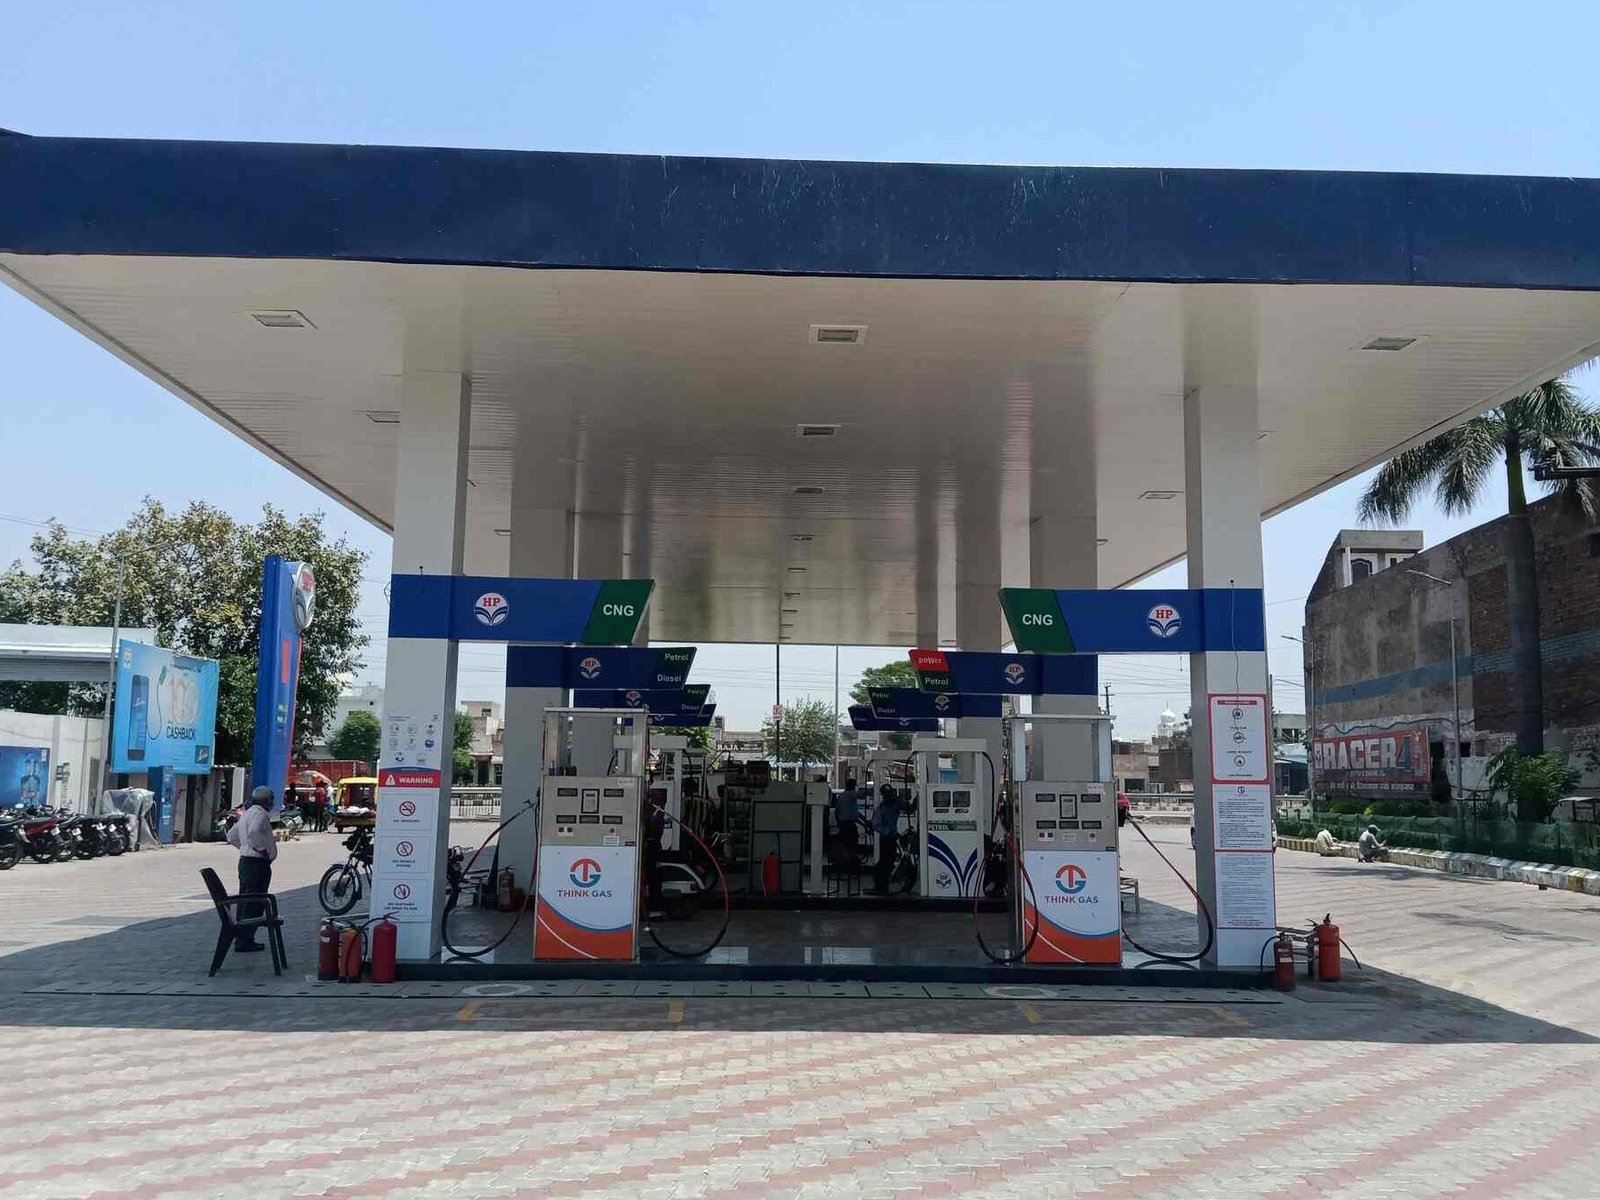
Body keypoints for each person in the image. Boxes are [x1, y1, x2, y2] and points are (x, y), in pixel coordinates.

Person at [225, 786, 278, 951]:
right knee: (254, 902)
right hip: (257, 863)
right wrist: (259, 848)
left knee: (245, 900)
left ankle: (242, 937)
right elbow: (254, 830)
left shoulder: (246, 814)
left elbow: (231, 836)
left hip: (245, 861)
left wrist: (244, 847)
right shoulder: (260, 814)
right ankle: (245, 940)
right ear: (266, 801)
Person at [869, 783, 904, 894]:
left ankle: (883, 885)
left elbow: (908, 807)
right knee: (885, 861)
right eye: (888, 794)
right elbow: (876, 824)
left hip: (891, 837)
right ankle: (880, 885)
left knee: (890, 860)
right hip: (886, 838)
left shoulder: (895, 804)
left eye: (891, 793)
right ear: (884, 795)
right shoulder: (881, 808)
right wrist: (888, 832)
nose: (891, 796)